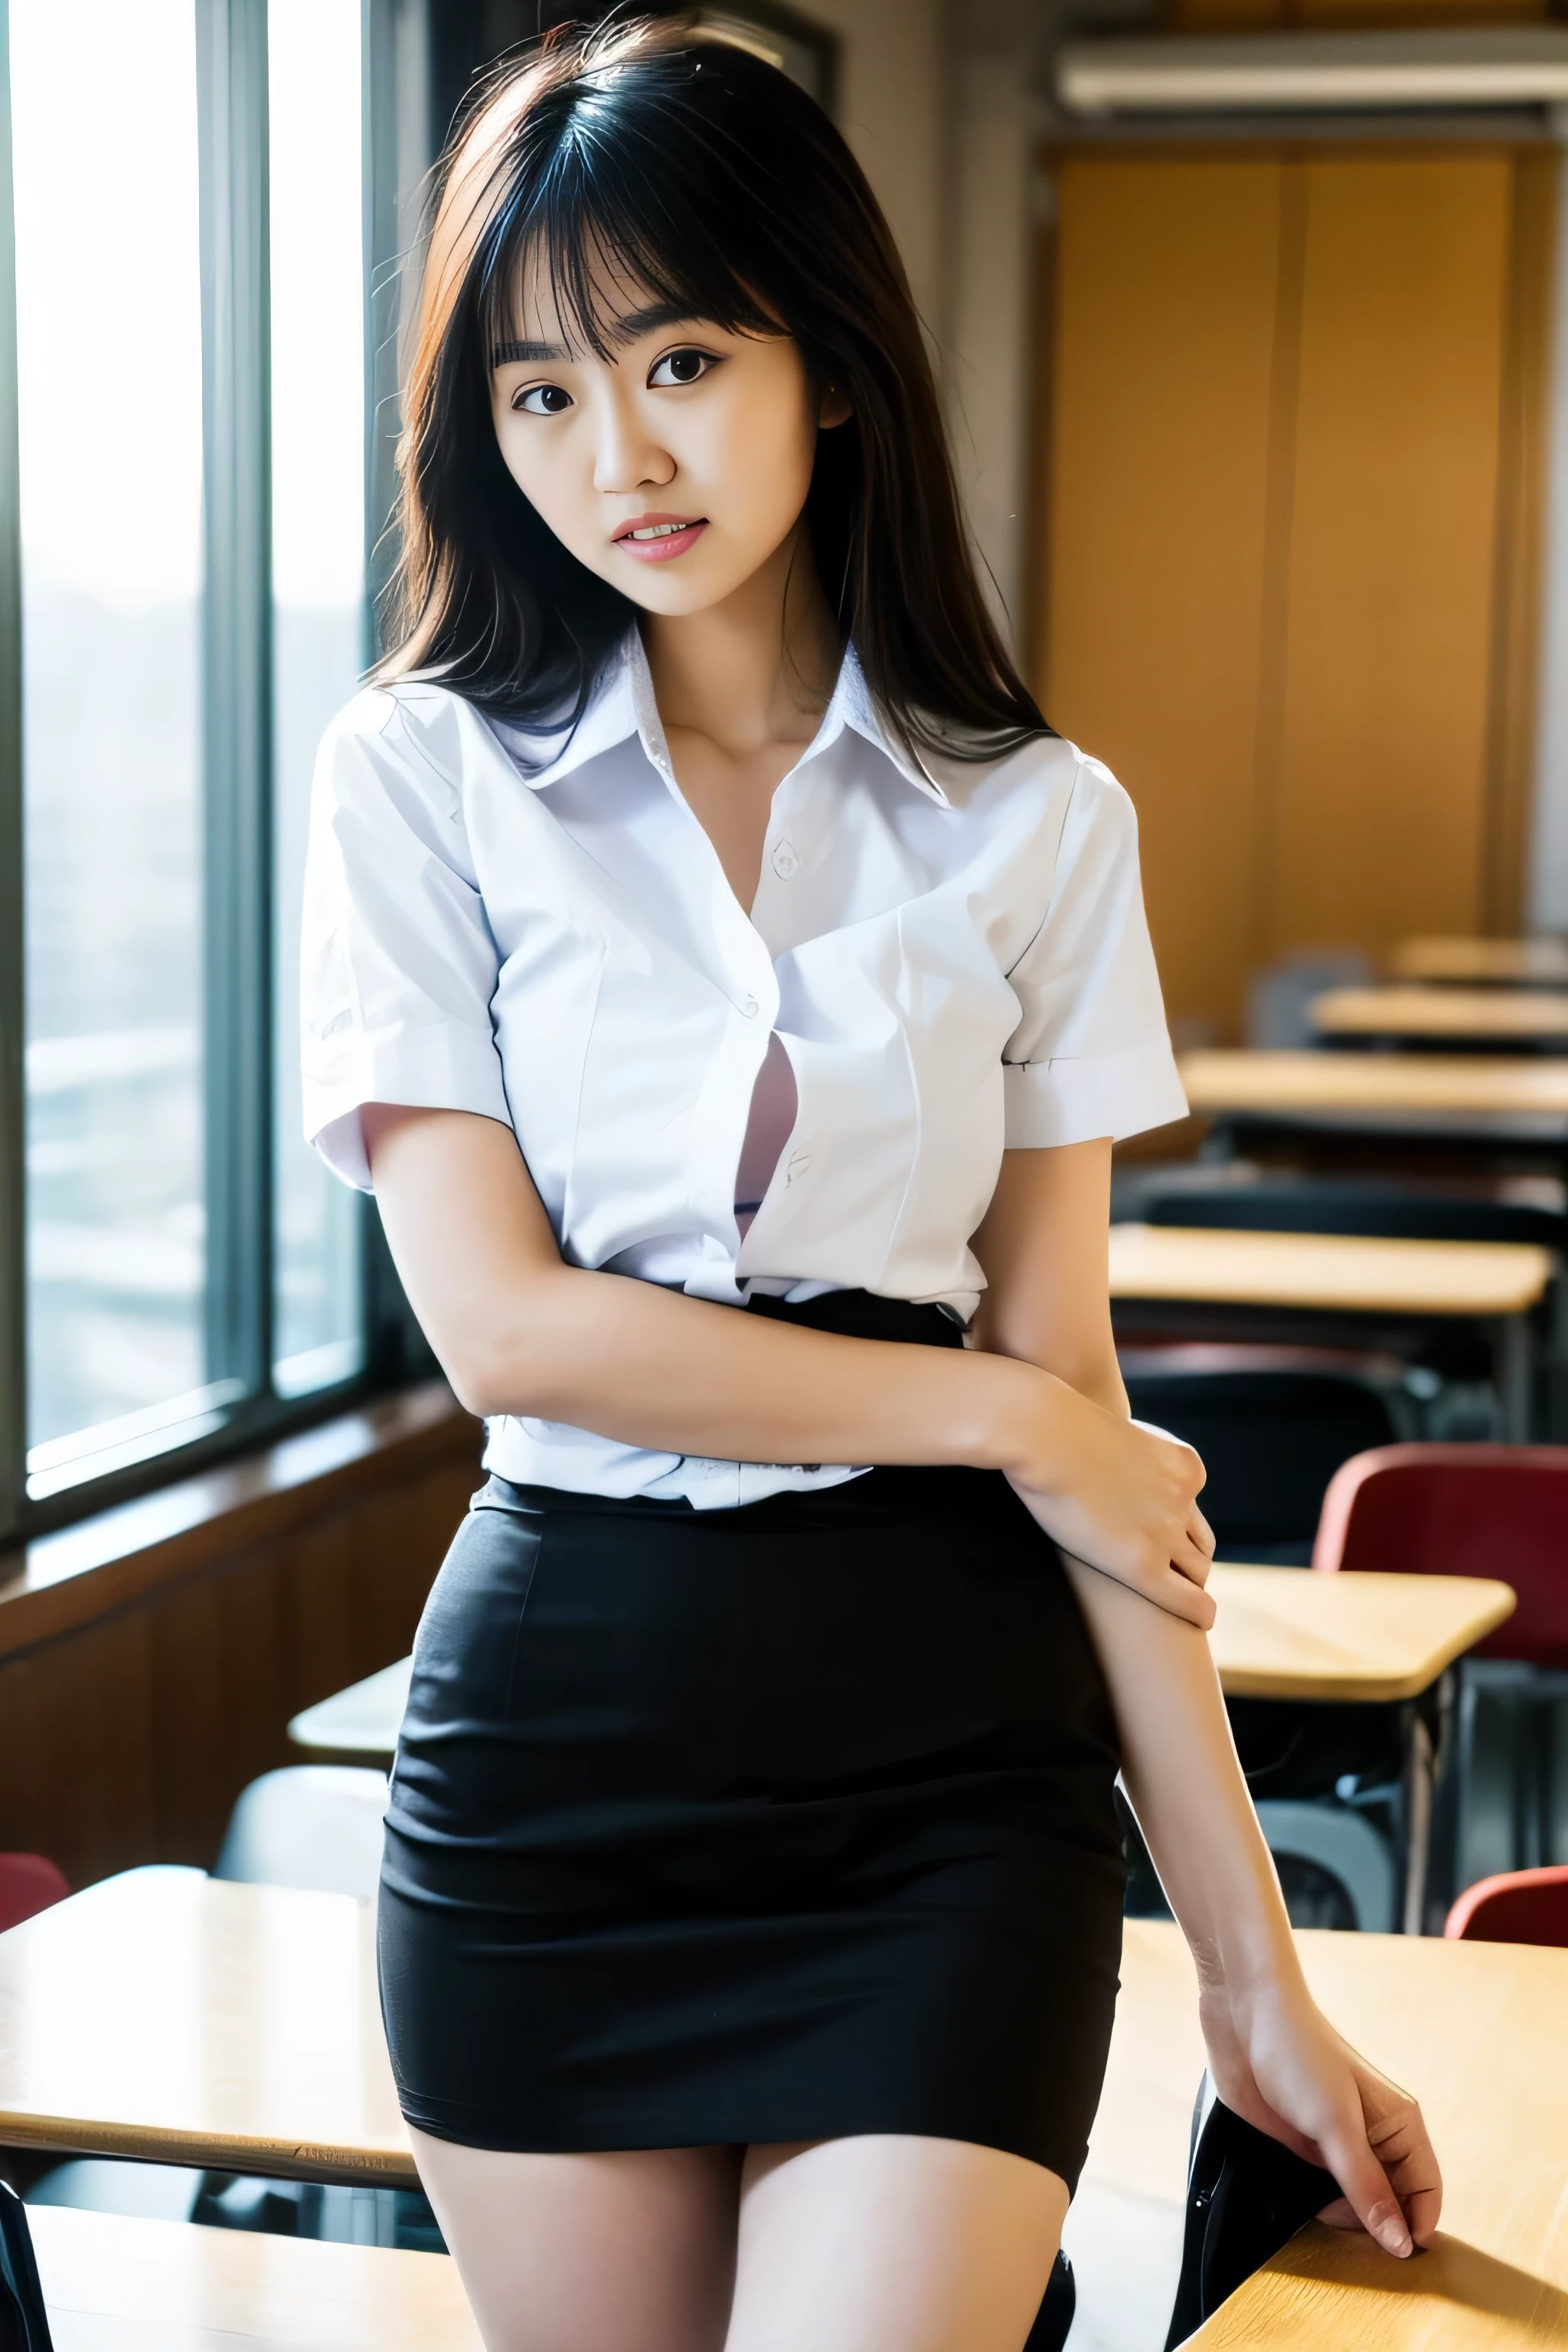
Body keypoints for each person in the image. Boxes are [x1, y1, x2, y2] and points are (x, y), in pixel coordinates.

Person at [300, 18, 1440, 2350]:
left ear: (829, 362)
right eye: (536, 393)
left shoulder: (1037, 820)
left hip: (944, 1786)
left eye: (681, 358)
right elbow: (507, 1331)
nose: (614, 452)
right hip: (556, 1771)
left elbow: (1087, 1402)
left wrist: (1258, 1979)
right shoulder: (422, 779)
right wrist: (1010, 1419)